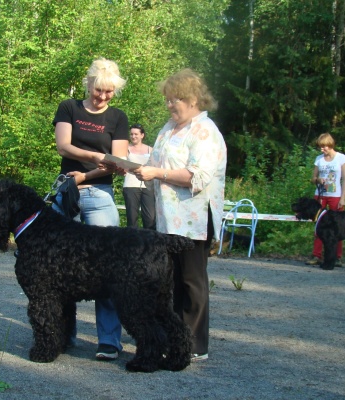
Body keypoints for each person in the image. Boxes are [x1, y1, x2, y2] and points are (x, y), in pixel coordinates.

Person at [133, 69, 227, 362]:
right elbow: (153, 162)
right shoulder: (168, 129)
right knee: (170, 281)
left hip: (194, 219)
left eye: (177, 99)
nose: (170, 105)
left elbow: (198, 177)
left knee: (191, 281)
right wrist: (124, 165)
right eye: (168, 99)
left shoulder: (205, 131)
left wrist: (157, 173)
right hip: (167, 219)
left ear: (195, 99)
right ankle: (175, 338)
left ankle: (196, 344)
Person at [52, 57, 128, 361]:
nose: (103, 97)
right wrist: (97, 156)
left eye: (109, 93)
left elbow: (119, 161)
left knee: (109, 264)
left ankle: (109, 340)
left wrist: (86, 172)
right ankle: (61, 334)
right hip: (66, 191)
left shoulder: (118, 118)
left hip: (99, 190)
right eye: (99, 91)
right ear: (89, 84)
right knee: (56, 265)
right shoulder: (68, 107)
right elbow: (63, 146)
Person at [306, 133, 345, 266]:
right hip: (320, 195)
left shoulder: (341, 158)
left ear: (330, 145)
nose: (321, 149)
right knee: (319, 226)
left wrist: (343, 198)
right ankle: (316, 255)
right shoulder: (319, 159)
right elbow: (313, 178)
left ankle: (337, 257)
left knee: (338, 226)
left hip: (335, 195)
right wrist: (318, 179)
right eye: (320, 147)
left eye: (323, 146)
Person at [122, 124, 156, 230]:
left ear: (142, 135)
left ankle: (150, 243)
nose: (133, 136)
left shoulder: (151, 150)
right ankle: (133, 244)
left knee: (150, 218)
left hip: (148, 186)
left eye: (136, 134)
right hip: (130, 185)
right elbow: (121, 164)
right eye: (131, 134)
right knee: (132, 217)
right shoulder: (125, 149)